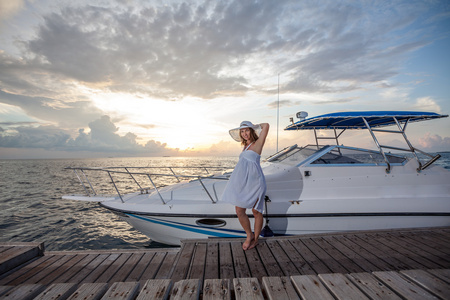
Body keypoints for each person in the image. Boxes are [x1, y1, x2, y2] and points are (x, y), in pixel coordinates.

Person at [221, 121, 270, 250]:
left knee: (256, 211)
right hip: (245, 183)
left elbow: (266, 125)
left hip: (256, 183)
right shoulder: (245, 146)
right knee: (239, 210)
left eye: (247, 130)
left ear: (251, 131)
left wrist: (254, 125)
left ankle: (256, 239)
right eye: (242, 131)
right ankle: (249, 235)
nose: (244, 133)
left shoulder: (258, 143)